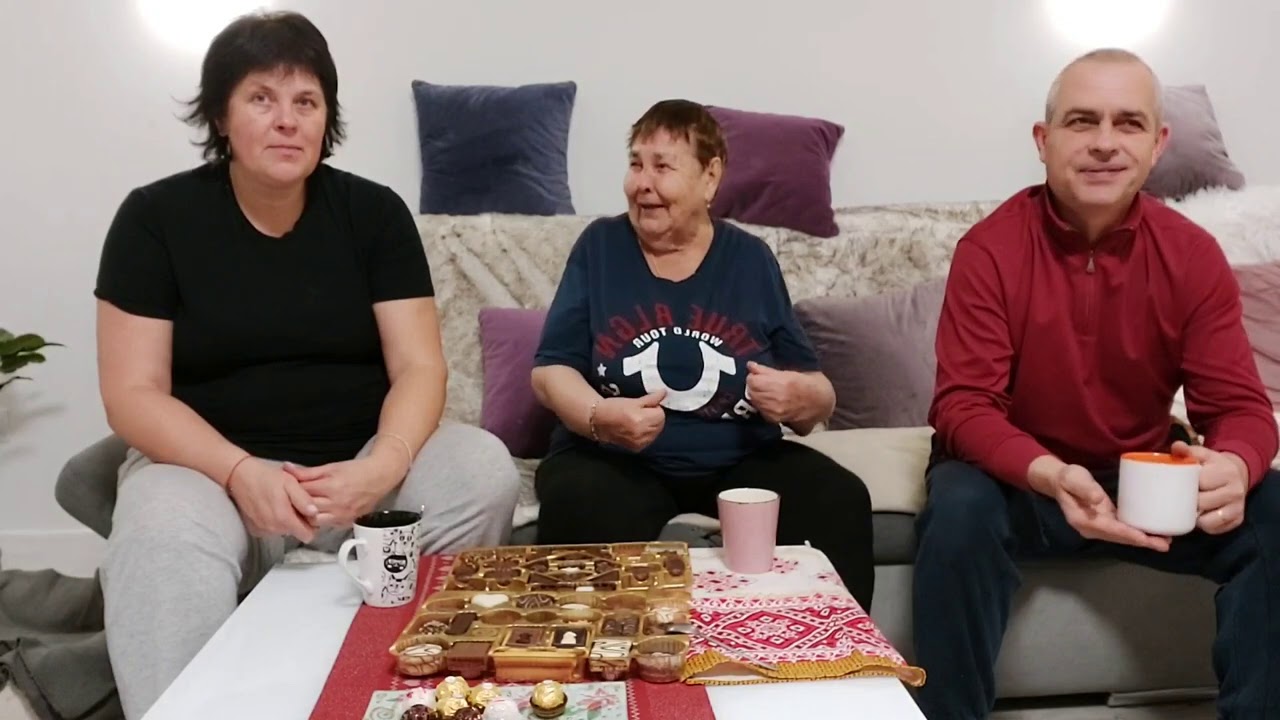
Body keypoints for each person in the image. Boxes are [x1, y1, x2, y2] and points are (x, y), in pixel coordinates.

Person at [93, 11, 520, 718]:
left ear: (327, 117)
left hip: (360, 477)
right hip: (211, 479)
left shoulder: (374, 214)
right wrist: (240, 472)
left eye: (306, 101)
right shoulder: (153, 219)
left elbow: (421, 368)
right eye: (262, 98)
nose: (287, 120)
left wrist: (382, 464)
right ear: (221, 115)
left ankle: (421, 688)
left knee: (481, 467)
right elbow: (132, 393)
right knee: (158, 523)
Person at [913, 48, 1280, 719]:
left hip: (1139, 479)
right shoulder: (989, 249)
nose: (1105, 142)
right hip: (1019, 481)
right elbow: (963, 407)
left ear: (1157, 144)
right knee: (958, 512)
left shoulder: (1193, 256)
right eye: (1082, 121)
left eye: (1128, 123)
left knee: (1275, 508)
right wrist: (1053, 475)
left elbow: (1240, 409)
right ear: (1044, 140)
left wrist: (1236, 463)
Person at [529, 99, 875, 608]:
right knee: (581, 503)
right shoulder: (599, 247)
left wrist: (799, 398)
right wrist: (600, 417)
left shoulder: (750, 259)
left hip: (740, 458)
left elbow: (817, 394)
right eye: (636, 164)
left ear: (710, 177)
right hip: (616, 459)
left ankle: (832, 652)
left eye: (662, 167)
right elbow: (550, 371)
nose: (642, 183)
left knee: (838, 498)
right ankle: (582, 655)